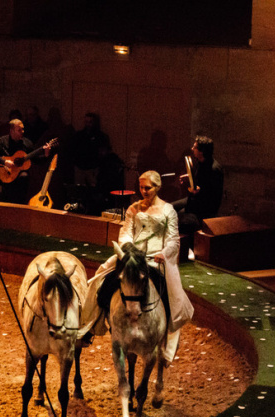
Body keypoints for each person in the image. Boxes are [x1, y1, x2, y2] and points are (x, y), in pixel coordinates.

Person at [81, 170, 194, 362]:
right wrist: (129, 249)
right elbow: (125, 233)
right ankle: (93, 324)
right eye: (141, 187)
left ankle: (164, 331)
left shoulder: (168, 210)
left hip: (155, 257)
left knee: (166, 292)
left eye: (147, 187)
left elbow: (173, 240)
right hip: (133, 254)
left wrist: (164, 253)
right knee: (103, 280)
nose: (143, 191)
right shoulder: (133, 208)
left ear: (157, 187)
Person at [173, 135, 224, 259]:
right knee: (169, 207)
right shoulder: (200, 162)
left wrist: (198, 192)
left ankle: (185, 251)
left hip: (203, 207)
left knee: (177, 217)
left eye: (195, 147)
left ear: (201, 151)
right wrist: (188, 177)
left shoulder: (214, 169)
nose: (192, 148)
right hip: (194, 199)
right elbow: (198, 179)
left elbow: (213, 197)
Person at [0, 118, 51, 204]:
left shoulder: (27, 143)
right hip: (4, 173)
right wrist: (4, 162)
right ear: (11, 131)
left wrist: (46, 155)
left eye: (23, 129)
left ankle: (19, 206)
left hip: (18, 177)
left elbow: (36, 160)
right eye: (19, 130)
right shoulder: (2, 141)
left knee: (24, 177)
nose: (22, 132)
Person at [70, 112, 110, 207]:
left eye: (90, 122)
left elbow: (103, 152)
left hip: (93, 168)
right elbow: (73, 149)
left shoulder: (100, 136)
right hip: (80, 168)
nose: (88, 124)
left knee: (93, 191)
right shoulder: (79, 135)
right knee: (79, 191)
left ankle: (92, 209)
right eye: (86, 121)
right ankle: (79, 209)